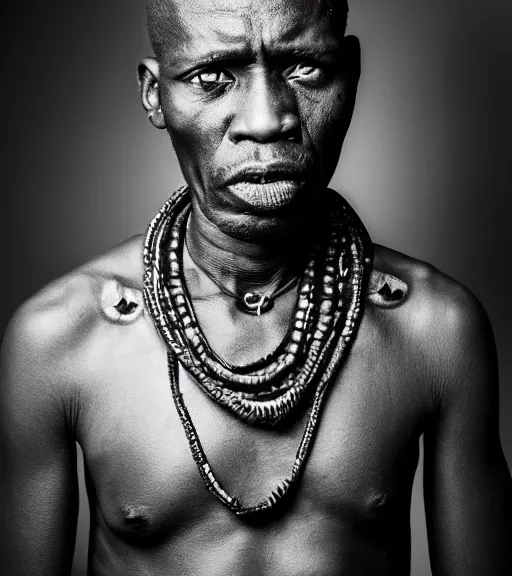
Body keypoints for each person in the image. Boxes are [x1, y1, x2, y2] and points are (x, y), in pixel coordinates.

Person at [1, 0, 511, 574]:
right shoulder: (61, 339)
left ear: (351, 71)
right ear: (154, 94)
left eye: (305, 68)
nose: (267, 120)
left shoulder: (436, 328)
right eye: (213, 77)